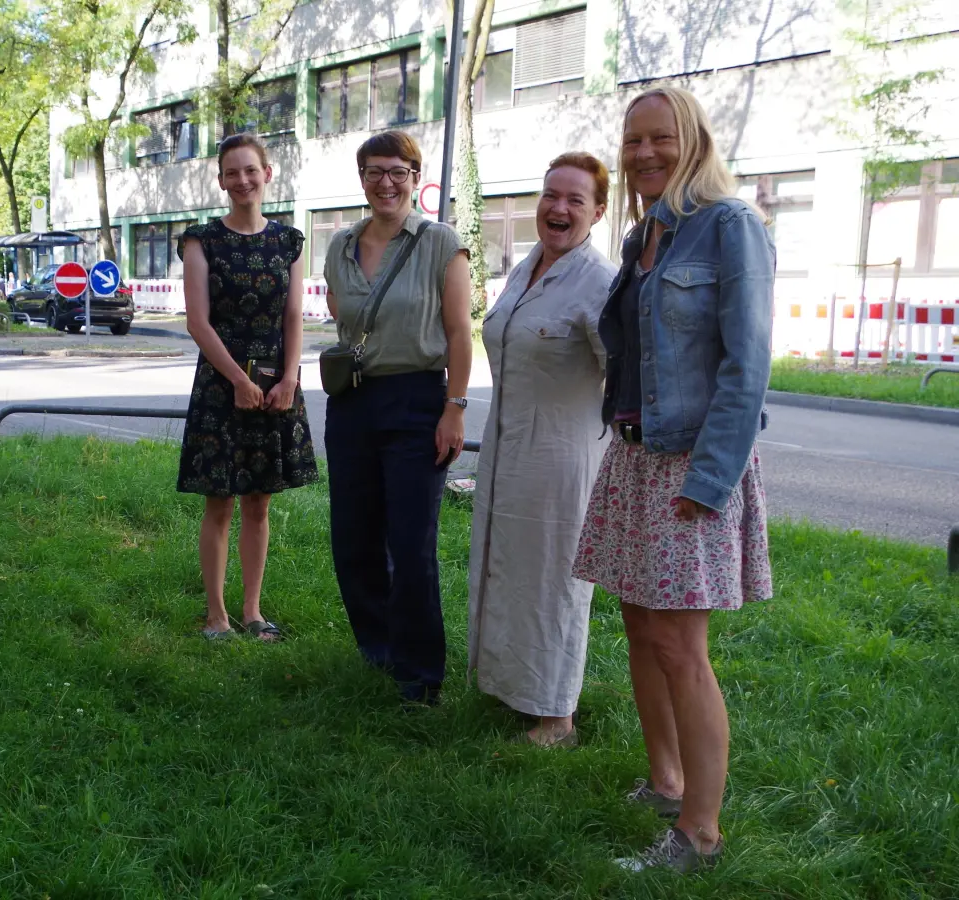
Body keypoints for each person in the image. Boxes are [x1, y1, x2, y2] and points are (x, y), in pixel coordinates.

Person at [573, 86, 775, 872]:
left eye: (661, 139)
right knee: (637, 621)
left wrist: (712, 479)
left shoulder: (729, 228)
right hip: (633, 455)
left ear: (693, 140)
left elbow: (747, 365)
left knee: (680, 644)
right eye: (634, 142)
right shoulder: (642, 237)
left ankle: (700, 832)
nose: (646, 153)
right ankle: (666, 780)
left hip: (691, 461)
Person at [466, 153, 616, 747]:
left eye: (575, 200)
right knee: (508, 571)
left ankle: (557, 715)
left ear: (598, 211)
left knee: (554, 581)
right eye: (551, 195)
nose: (558, 208)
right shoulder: (526, 267)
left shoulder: (600, 283)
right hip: (506, 454)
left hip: (560, 461)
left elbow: (624, 376)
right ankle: (511, 688)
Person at [324, 130, 473, 704]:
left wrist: (453, 409)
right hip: (354, 401)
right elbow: (342, 312)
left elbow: (460, 333)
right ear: (361, 178)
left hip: (417, 401)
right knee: (353, 535)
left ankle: (420, 672)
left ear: (415, 177)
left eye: (398, 172)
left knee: (411, 542)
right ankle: (378, 648)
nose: (385, 182)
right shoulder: (339, 245)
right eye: (374, 171)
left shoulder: (441, 242)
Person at [177, 132, 319, 641]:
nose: (242, 180)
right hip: (222, 385)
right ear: (220, 181)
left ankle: (253, 612)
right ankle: (216, 615)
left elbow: (294, 316)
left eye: (250, 170)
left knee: (259, 502)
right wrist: (237, 379)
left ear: (267, 174)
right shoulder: (202, 240)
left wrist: (289, 379)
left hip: (276, 384)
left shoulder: (288, 241)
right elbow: (198, 322)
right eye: (231, 173)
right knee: (220, 501)